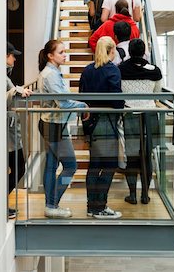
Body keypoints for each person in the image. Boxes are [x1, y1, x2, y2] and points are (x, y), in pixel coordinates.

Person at [37, 40, 88, 218]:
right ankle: (52, 203)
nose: (64, 55)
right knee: (71, 166)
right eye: (61, 52)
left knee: (51, 165)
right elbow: (63, 102)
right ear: (50, 55)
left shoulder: (53, 72)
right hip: (53, 125)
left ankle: (51, 205)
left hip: (53, 124)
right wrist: (82, 105)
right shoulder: (50, 74)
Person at [79, 36, 124, 219]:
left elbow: (82, 95)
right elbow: (117, 101)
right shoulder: (112, 70)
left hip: (90, 122)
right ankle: (100, 207)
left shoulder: (87, 70)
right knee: (109, 165)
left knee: (93, 165)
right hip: (106, 122)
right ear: (111, 50)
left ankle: (92, 206)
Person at [119, 39, 162, 205]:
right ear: (144, 52)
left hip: (130, 115)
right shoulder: (154, 70)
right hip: (150, 116)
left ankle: (132, 194)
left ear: (129, 51)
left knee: (131, 157)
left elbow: (118, 92)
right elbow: (157, 92)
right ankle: (145, 194)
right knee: (147, 156)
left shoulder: (121, 69)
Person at [6, 42, 33, 219]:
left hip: (9, 132)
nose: (14, 58)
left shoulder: (4, 75)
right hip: (7, 133)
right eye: (12, 55)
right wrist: (16, 91)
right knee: (18, 168)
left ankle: (0, 202)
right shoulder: (0, 76)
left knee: (17, 167)